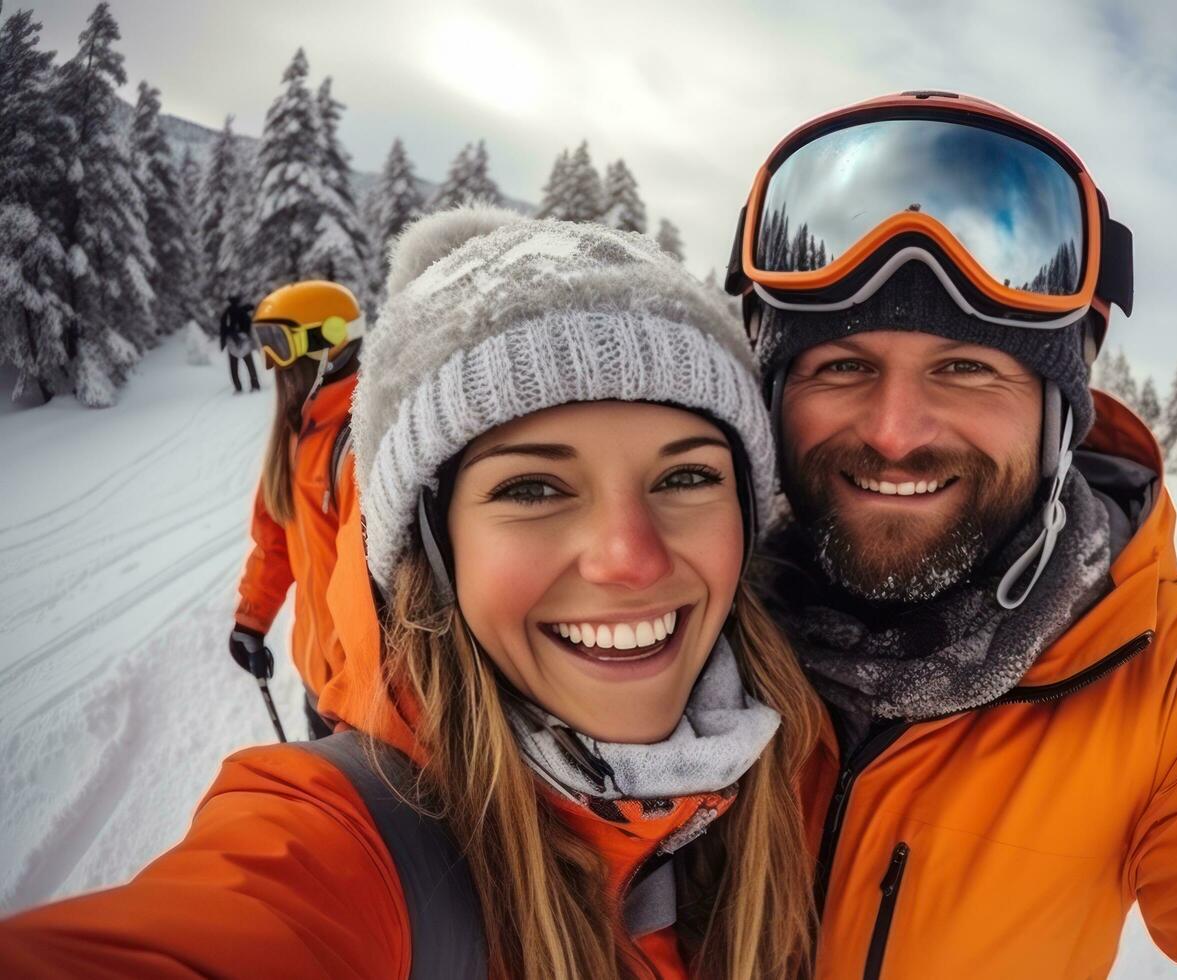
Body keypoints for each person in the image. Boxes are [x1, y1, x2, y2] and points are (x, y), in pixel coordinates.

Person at [723, 92, 1177, 976]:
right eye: (843, 366)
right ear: (771, 399)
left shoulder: (1172, 683)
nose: (894, 430)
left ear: (1056, 419)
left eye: (966, 370)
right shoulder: (675, 617)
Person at [0, 211, 822, 979]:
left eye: (686, 476)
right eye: (534, 489)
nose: (629, 561)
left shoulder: (801, 783)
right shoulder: (354, 838)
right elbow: (274, 543)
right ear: (432, 547)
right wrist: (256, 617)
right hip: (357, 685)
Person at [229, 280, 364, 740]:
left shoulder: (359, 448)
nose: (273, 366)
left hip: (363, 700)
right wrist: (252, 617)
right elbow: (275, 541)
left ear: (330, 342)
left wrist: (364, 694)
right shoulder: (294, 434)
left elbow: (382, 593)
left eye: (282, 348)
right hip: (317, 679)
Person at [218, 293, 261, 393]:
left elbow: (223, 329)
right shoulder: (242, 311)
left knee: (234, 367)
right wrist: (249, 337)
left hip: (232, 343)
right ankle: (255, 385)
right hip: (244, 341)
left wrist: (223, 343)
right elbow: (248, 325)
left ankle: (238, 387)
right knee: (250, 364)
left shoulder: (227, 313)